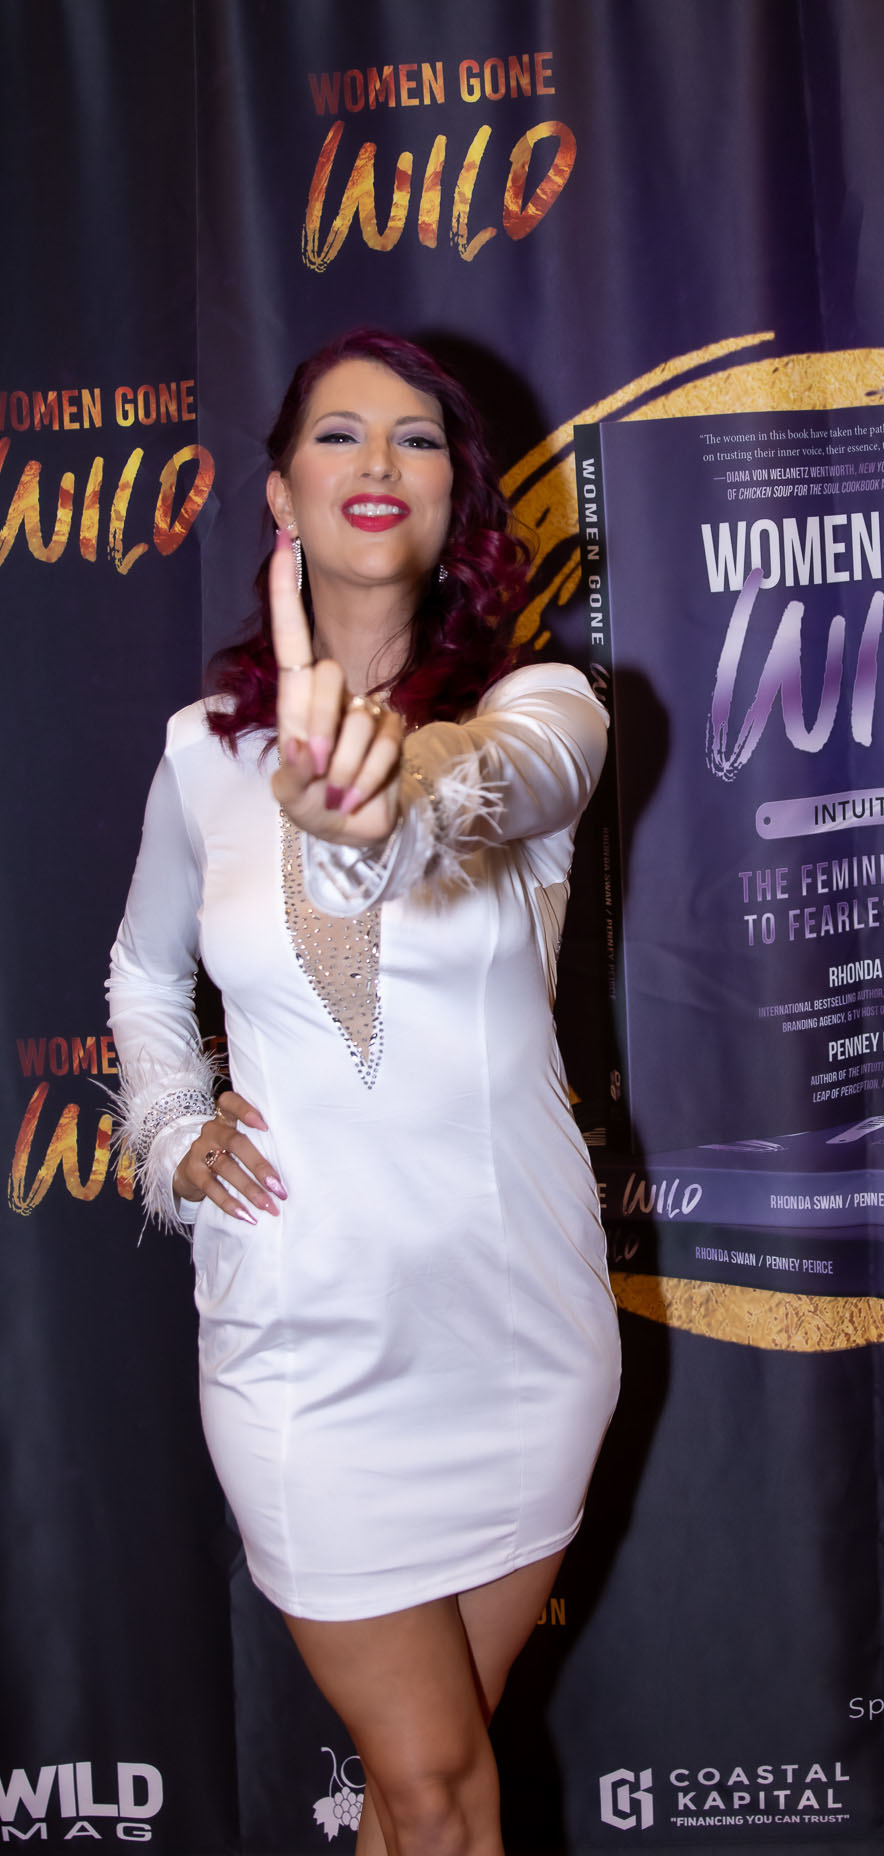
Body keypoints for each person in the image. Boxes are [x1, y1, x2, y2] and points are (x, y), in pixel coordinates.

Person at [108, 329, 620, 1856]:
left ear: (455, 498)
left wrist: (382, 793)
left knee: (418, 1796)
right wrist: (171, 1129)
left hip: (516, 1326)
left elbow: (497, 781)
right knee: (438, 1786)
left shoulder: (549, 707)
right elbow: (141, 975)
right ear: (281, 493)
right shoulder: (202, 758)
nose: (378, 460)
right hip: (301, 1340)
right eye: (338, 433)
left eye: (417, 437)